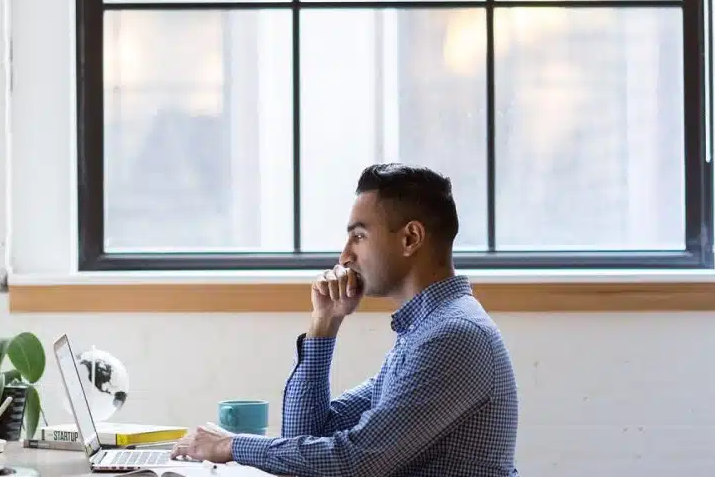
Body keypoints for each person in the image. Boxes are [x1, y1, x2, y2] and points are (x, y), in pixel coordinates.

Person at [172, 163, 520, 476]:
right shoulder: (423, 331)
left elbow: (355, 462)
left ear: (410, 238)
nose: (345, 255)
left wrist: (231, 445)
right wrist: (324, 323)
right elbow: (307, 437)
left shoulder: (452, 336)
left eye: (359, 236)